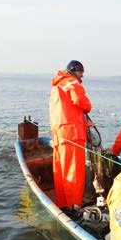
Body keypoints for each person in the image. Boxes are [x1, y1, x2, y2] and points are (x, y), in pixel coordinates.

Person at [49, 60, 92, 209]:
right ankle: (74, 207)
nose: (82, 77)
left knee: (60, 172)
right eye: (81, 73)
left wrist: (84, 123)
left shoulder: (57, 86)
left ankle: (63, 205)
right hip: (72, 135)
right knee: (73, 173)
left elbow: (66, 111)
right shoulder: (72, 82)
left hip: (59, 134)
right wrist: (88, 106)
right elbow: (81, 102)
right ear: (75, 71)